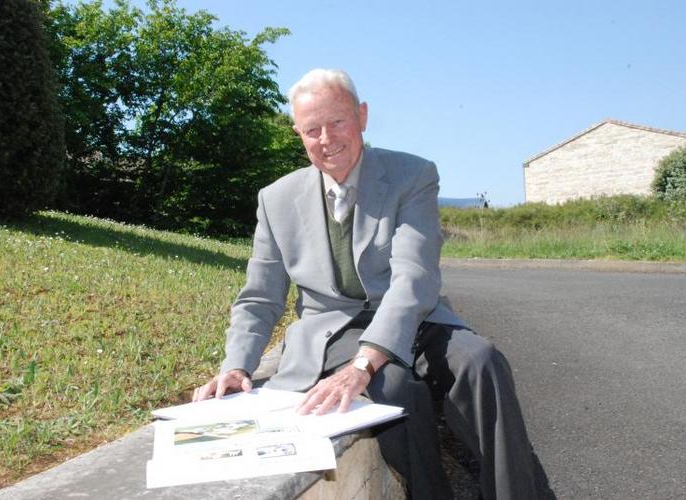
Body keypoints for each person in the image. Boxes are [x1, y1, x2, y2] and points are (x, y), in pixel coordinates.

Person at [193, 68, 538, 500]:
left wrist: (363, 363)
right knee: (391, 386)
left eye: (337, 122)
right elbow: (261, 295)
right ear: (298, 133)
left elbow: (413, 275)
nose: (326, 139)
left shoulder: (412, 175)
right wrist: (236, 366)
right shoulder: (275, 198)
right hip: (336, 326)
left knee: (481, 362)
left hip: (416, 311)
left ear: (362, 116)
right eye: (312, 129)